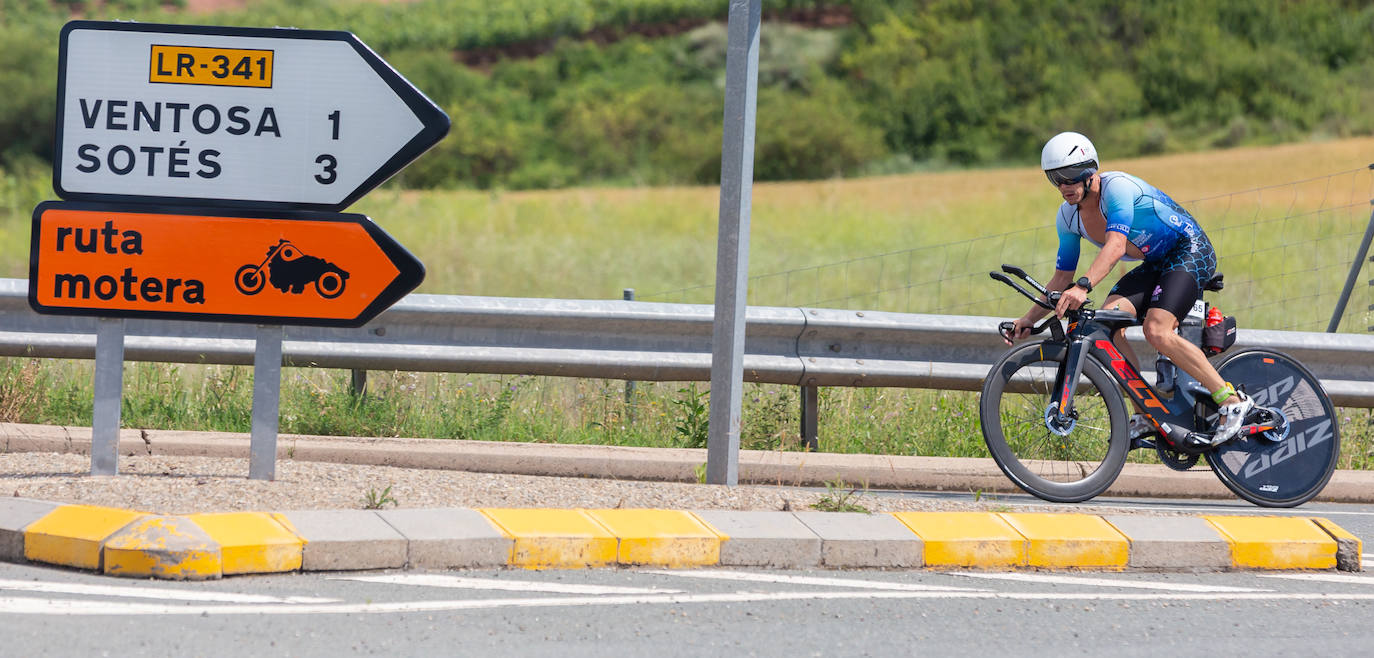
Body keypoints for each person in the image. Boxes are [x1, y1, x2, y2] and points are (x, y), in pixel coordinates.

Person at [1004, 131, 1252, 447]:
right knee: (1106, 323)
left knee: (1157, 331)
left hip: (1189, 250)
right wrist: (1028, 318)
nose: (1063, 186)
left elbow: (1116, 244)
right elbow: (1061, 275)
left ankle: (1230, 400)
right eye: (1054, 179)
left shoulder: (1116, 188)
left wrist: (1083, 286)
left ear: (1089, 170)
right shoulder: (1067, 217)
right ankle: (1145, 415)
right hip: (1157, 263)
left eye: (1069, 176)